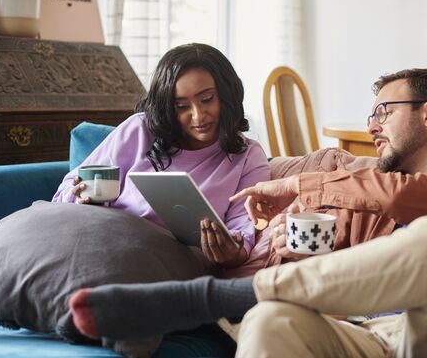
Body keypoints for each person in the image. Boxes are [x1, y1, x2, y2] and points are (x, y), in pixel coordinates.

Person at [66, 69, 427, 357]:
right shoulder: (361, 194)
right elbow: (344, 264)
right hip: (355, 333)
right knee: (272, 321)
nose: (371, 126)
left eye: (384, 111)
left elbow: (402, 195)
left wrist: (294, 183)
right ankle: (226, 300)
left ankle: (205, 298)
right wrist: (299, 253)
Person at [53, 43, 270, 270]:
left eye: (206, 99)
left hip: (168, 264)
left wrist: (230, 252)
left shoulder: (247, 156)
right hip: (98, 240)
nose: (198, 115)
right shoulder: (139, 130)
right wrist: (81, 198)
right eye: (182, 106)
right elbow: (67, 189)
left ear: (226, 95)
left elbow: (243, 231)